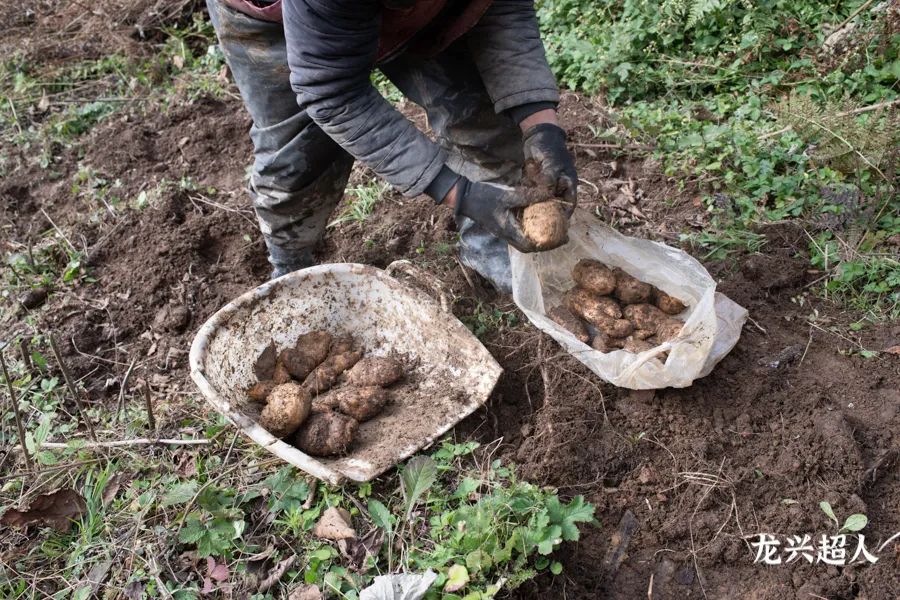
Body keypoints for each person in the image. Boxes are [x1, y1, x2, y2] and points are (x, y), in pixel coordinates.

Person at [206, 0, 578, 293]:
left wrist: (541, 127)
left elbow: (500, 10)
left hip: (427, 13)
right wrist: (461, 193)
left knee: (479, 114)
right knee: (297, 159)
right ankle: (290, 268)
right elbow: (332, 91)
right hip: (276, 22)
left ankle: (492, 247)